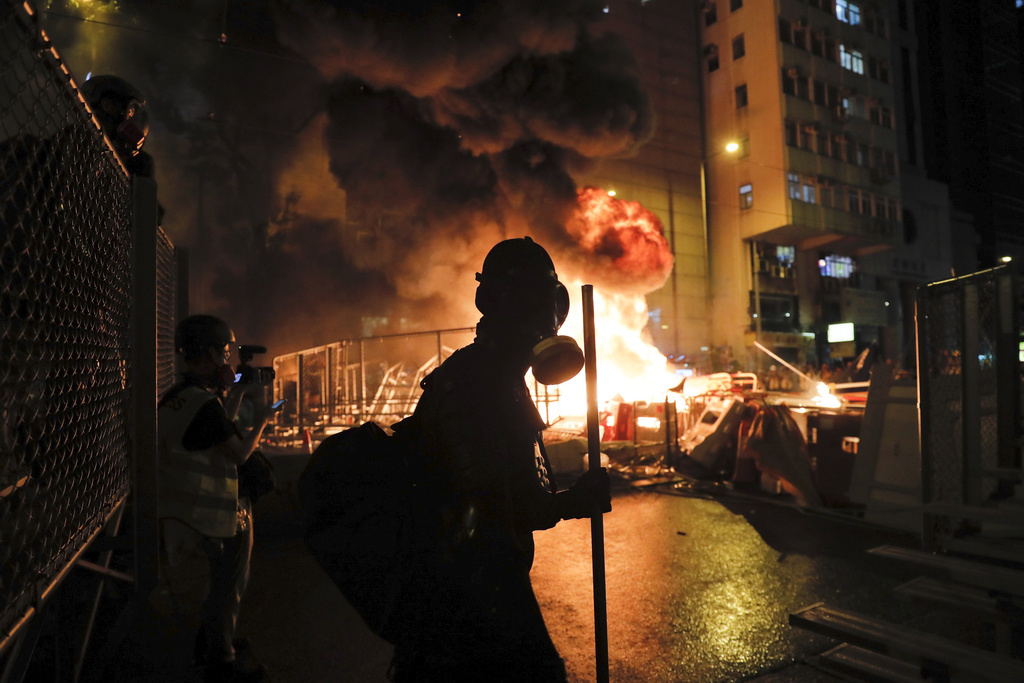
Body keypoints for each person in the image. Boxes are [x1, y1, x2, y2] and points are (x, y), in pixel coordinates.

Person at [389, 237, 612, 682]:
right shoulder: (473, 386)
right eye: (531, 300)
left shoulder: (500, 378)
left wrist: (569, 499)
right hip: (467, 599)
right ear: (493, 303)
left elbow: (515, 494)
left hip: (479, 588)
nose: (542, 317)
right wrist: (575, 501)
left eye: (545, 300)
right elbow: (496, 510)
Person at [157, 314, 273, 683]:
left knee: (219, 589)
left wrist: (236, 394)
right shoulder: (203, 405)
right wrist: (263, 420)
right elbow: (237, 453)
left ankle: (211, 645)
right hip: (213, 512)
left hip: (184, 509)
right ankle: (221, 662)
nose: (228, 360)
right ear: (208, 353)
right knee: (228, 588)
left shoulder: (179, 397)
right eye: (224, 352)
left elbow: (212, 429)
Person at [80, 74, 154, 178]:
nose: (98, 114)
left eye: (108, 106)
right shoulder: (76, 138)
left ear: (130, 112)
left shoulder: (140, 163)